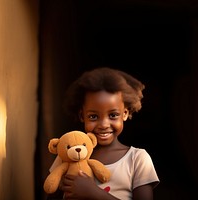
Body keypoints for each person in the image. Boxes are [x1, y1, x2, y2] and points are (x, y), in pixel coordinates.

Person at [46, 67, 160, 200]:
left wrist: (94, 192)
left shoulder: (137, 159)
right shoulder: (68, 154)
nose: (104, 125)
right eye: (93, 116)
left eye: (113, 115)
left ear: (125, 114)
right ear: (82, 115)